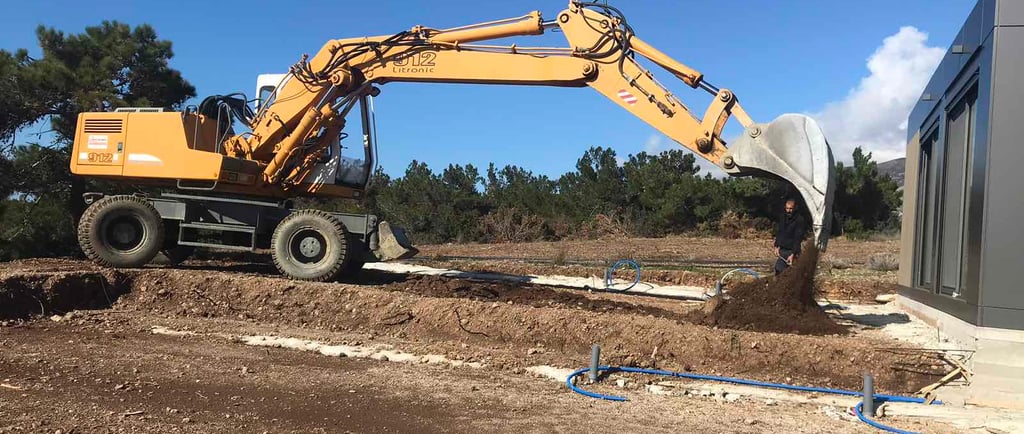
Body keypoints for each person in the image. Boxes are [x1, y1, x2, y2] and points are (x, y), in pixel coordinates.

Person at [773, 198, 807, 275]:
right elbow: (780, 232)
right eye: (787, 208)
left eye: (790, 209)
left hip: (792, 250)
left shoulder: (799, 220)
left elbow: (798, 238)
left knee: (791, 273)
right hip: (782, 249)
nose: (788, 211)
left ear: (794, 208)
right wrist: (776, 246)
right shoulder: (783, 217)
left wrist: (793, 254)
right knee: (778, 270)